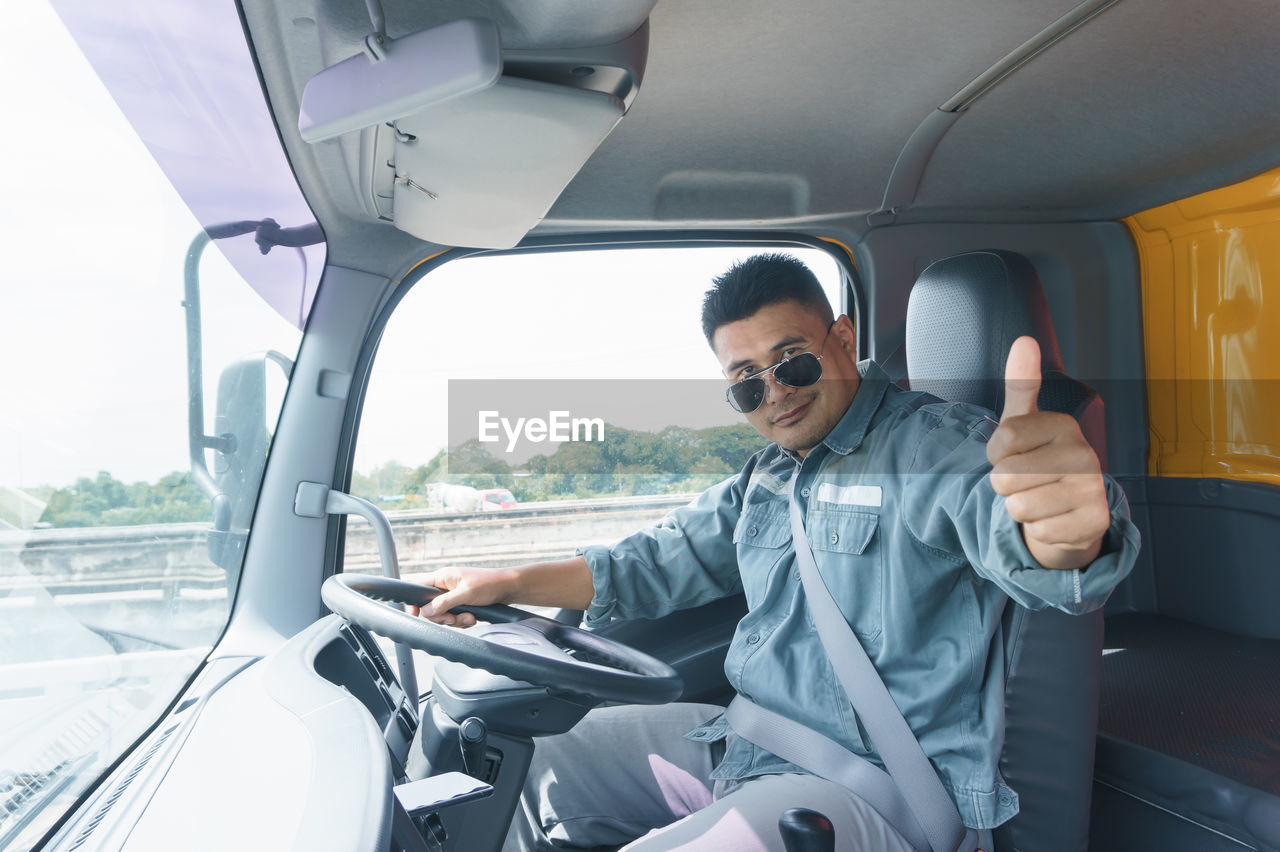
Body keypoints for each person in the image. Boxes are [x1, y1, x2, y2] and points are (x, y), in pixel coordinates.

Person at [415, 253, 1140, 851]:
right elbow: (649, 562)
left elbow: (1020, 531)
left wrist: (1066, 534)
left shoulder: (935, 445)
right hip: (742, 749)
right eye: (745, 384)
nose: (775, 395)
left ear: (842, 338)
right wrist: (505, 579)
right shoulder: (767, 478)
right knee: (518, 763)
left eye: (792, 362)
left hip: (876, 795)